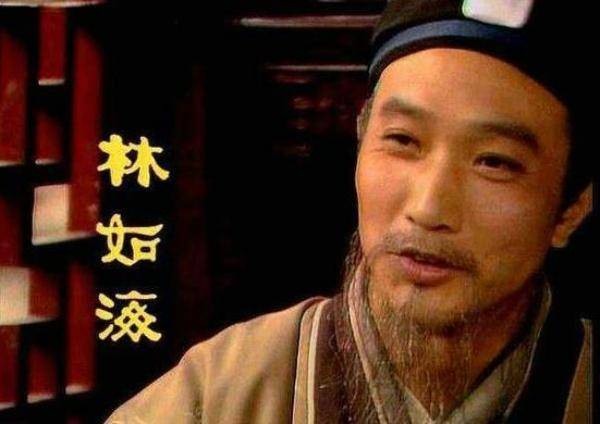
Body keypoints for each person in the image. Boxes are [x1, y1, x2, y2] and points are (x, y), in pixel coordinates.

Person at [107, 0, 593, 422]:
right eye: (402, 140)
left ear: (572, 209)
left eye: (494, 162)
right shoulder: (214, 397)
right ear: (361, 142)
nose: (428, 208)